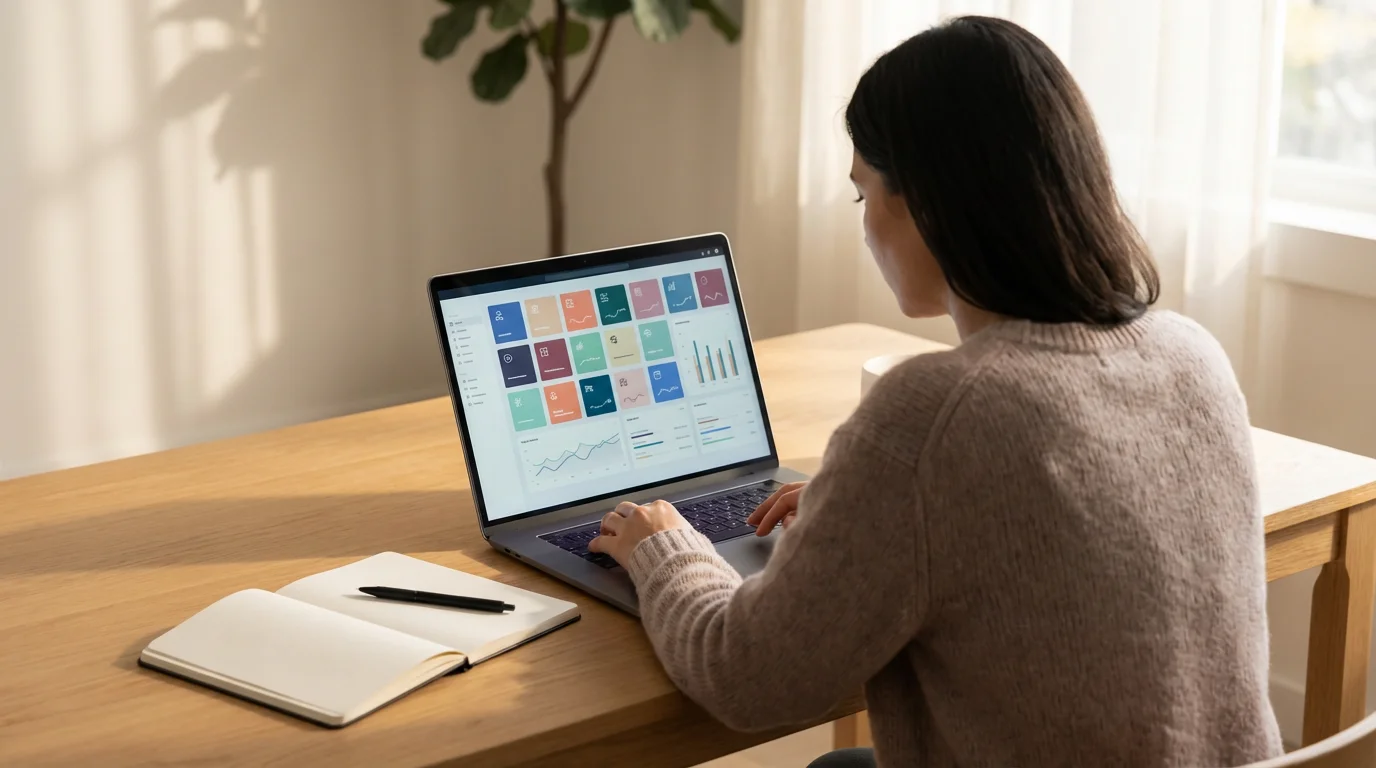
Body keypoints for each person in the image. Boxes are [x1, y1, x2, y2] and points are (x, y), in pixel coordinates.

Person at [588, 15, 1283, 768]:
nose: (864, 230)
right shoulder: (1194, 355)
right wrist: (863, 506)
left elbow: (745, 680)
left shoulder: (936, 413)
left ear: (926, 200)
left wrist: (666, 550)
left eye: (863, 196)